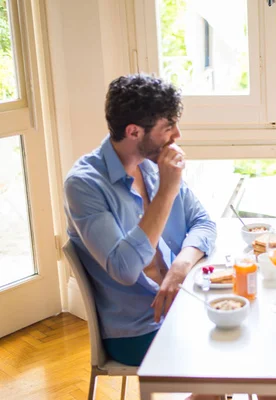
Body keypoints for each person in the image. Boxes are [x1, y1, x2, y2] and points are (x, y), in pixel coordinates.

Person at [64, 74, 217, 368]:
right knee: (237, 345)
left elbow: (203, 223)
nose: (177, 135)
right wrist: (167, 191)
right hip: (137, 330)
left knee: (256, 327)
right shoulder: (84, 185)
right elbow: (125, 268)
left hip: (184, 303)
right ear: (134, 131)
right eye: (168, 126)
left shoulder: (155, 164)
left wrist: (179, 268)